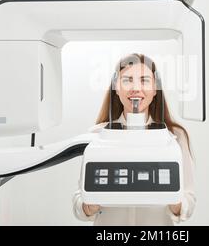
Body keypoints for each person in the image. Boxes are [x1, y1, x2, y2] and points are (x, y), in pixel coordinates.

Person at [72, 53, 195, 225]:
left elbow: (188, 201)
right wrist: (90, 204)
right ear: (116, 87)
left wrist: (173, 198)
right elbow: (80, 203)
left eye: (144, 80)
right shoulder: (96, 136)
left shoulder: (175, 136)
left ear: (155, 89)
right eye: (127, 80)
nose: (136, 88)